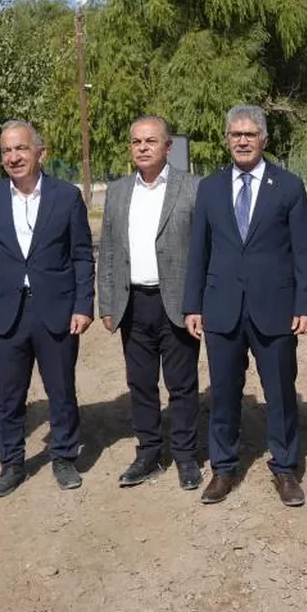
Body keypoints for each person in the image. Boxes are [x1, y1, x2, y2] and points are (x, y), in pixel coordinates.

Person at [183, 105, 307, 507]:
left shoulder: (289, 187)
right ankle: (223, 468)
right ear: (227, 140)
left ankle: (286, 468)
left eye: (249, 134)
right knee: (224, 393)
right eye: (235, 134)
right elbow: (199, 252)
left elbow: (304, 252)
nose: (241, 140)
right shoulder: (209, 187)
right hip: (221, 306)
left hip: (275, 308)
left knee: (280, 392)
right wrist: (193, 305)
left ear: (264, 140)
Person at [0, 121, 94, 495]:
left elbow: (82, 256)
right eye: (6, 151)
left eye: (20, 149)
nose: (13, 157)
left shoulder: (66, 197)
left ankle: (64, 457)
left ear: (41, 153)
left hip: (55, 308)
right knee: (9, 394)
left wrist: (83, 305)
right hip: (7, 311)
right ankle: (11, 463)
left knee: (61, 389)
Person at [97, 116, 203, 490]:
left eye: (151, 141)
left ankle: (186, 456)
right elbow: (108, 249)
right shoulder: (119, 190)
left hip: (176, 303)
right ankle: (148, 453)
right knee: (140, 383)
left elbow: (204, 251)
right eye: (136, 141)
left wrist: (198, 304)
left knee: (182, 384)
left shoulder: (192, 188)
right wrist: (107, 302)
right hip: (132, 303)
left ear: (168, 147)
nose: (142, 147)